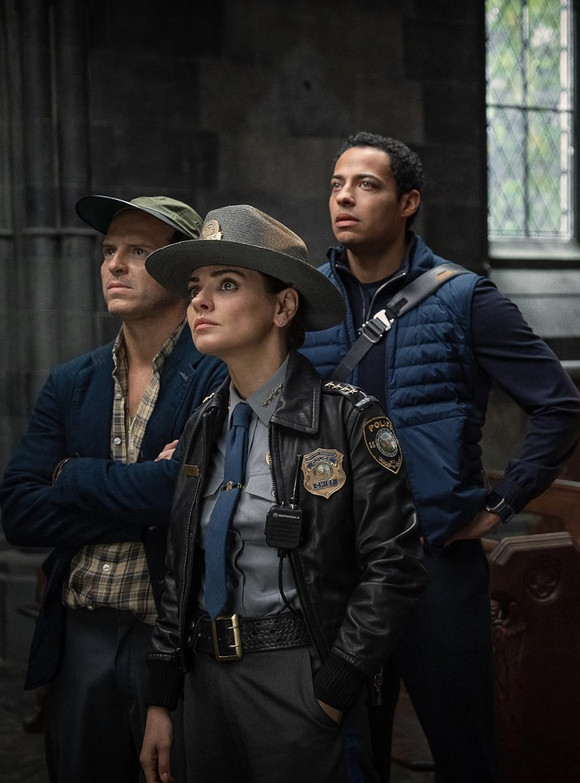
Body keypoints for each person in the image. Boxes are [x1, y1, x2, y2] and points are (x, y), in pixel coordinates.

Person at [300, 131, 580, 782]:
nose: (344, 197)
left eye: (366, 185)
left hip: (432, 564)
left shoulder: (464, 298)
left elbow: (560, 408)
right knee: (346, 757)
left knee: (464, 753)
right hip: (332, 563)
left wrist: (501, 504)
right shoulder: (304, 303)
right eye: (337, 185)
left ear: (408, 202)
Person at [137, 205, 426, 783]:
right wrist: (161, 698)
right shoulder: (203, 424)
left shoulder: (347, 420)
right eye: (195, 288)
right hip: (205, 679)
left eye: (226, 284)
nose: (199, 302)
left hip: (298, 676)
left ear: (283, 306)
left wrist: (335, 686)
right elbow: (179, 566)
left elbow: (394, 566)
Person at [0, 195, 224, 782]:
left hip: (178, 639)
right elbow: (19, 512)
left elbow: (193, 496)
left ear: (182, 272)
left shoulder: (217, 369)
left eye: (138, 252)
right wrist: (149, 497)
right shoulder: (72, 381)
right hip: (82, 637)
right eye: (108, 251)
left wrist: (71, 476)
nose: (114, 265)